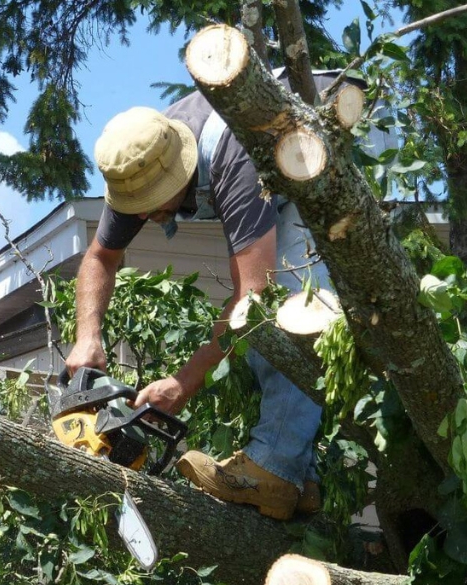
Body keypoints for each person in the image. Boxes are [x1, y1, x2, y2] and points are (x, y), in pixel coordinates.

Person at [65, 89, 326, 520]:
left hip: (306, 160)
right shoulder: (138, 164)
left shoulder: (233, 155)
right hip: (268, 175)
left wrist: (184, 382)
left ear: (181, 171)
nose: (145, 217)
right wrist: (87, 336)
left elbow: (252, 299)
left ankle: (277, 468)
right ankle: (302, 478)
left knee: (289, 302)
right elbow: (100, 258)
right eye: (138, 208)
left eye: (153, 206)